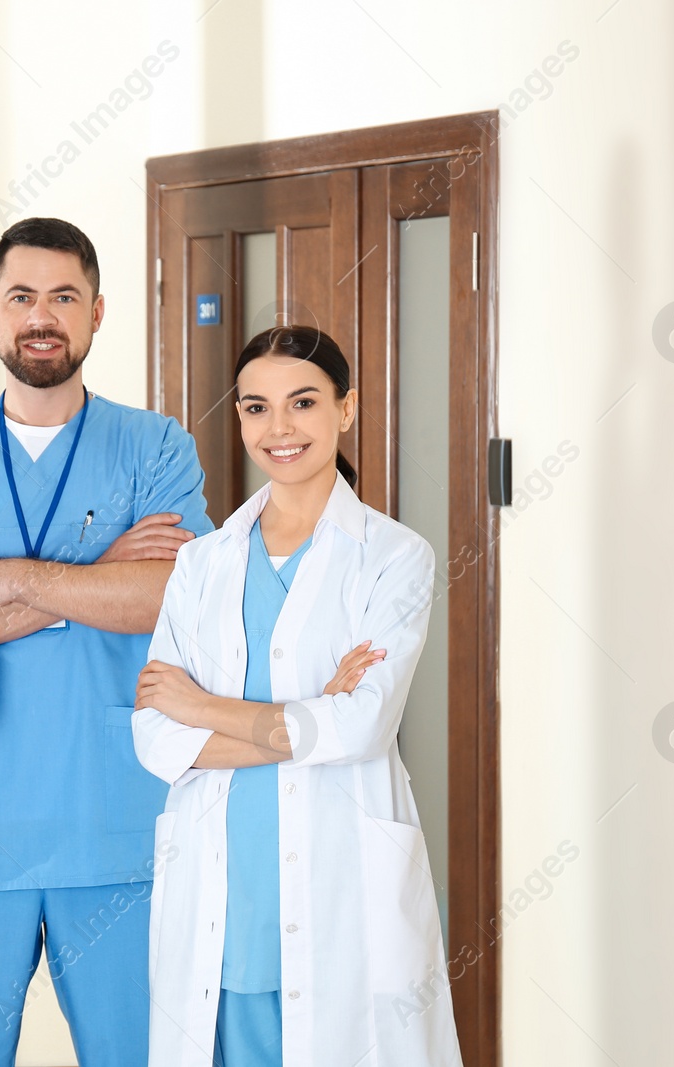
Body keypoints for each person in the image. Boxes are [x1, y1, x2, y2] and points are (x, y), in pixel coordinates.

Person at [0, 217, 212, 1066]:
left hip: (115, 825)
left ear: (99, 313)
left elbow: (174, 598)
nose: (43, 315)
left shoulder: (156, 447)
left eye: (64, 296)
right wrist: (97, 573)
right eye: (23, 297)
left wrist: (12, 579)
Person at [133, 325, 463, 1066]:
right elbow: (155, 736)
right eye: (256, 407)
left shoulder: (393, 556)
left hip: (340, 882)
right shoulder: (202, 561)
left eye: (303, 403)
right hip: (224, 888)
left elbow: (361, 727)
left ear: (345, 410)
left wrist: (204, 708)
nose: (279, 428)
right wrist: (308, 713)